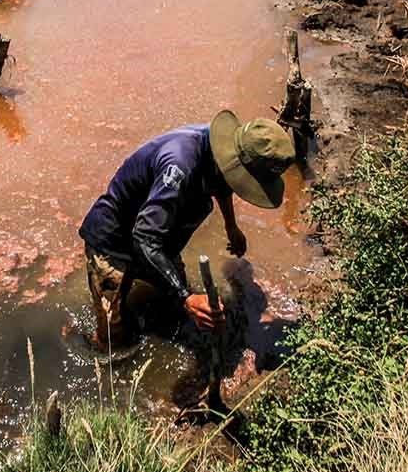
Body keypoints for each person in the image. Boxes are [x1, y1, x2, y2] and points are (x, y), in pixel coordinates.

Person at [78, 110, 296, 350]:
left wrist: (231, 226)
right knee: (113, 337)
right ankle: (101, 351)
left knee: (172, 311)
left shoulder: (221, 153)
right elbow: (144, 238)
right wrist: (186, 296)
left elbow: (222, 184)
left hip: (160, 237)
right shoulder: (179, 166)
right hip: (114, 243)